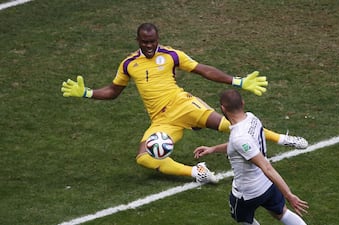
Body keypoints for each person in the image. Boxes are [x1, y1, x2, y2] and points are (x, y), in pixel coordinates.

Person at [61, 23, 308, 184]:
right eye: (144, 42)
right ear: (137, 40)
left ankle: (283, 139)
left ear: (158, 39)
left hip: (183, 105)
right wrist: (87, 93)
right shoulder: (128, 64)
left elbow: (203, 70)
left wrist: (238, 81)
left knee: (230, 126)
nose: (148, 46)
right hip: (161, 120)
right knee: (143, 158)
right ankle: (196, 172)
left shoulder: (171, 55)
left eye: (152, 42)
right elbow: (114, 91)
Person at [194, 89, 308, 225]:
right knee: (281, 212)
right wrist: (213, 149)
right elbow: (239, 147)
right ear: (243, 103)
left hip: (246, 193)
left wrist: (289, 195)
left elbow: (266, 166)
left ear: (223, 108)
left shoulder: (239, 137)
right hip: (267, 185)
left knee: (243, 221)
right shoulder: (252, 118)